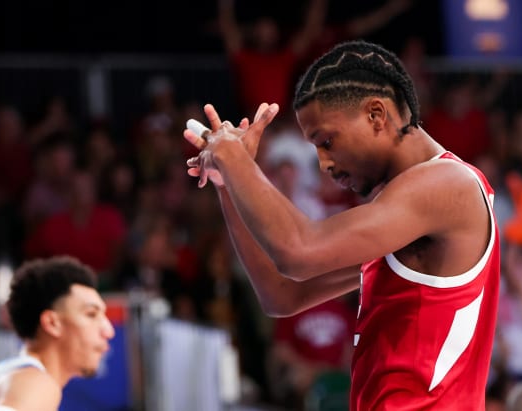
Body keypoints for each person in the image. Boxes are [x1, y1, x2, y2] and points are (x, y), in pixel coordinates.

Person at [183, 40, 500, 409]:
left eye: (327, 141)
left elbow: (298, 251)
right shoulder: (404, 214)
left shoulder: (447, 184)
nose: (324, 164)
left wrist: (236, 158)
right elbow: (283, 294)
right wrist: (228, 184)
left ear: (376, 115)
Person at [0, 255, 115, 411]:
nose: (108, 331)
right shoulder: (36, 383)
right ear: (52, 323)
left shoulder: (13, 376)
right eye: (91, 314)